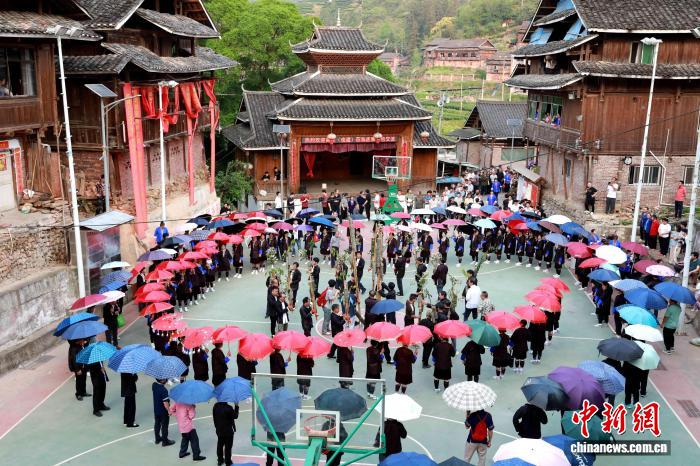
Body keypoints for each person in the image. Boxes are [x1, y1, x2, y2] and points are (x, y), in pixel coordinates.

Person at [213, 400, 239, 466]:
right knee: (228, 447)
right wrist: (236, 406)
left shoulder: (215, 406)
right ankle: (228, 462)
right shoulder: (229, 408)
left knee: (220, 445)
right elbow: (235, 416)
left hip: (219, 430)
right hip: (228, 431)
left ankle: (220, 460)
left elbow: (214, 418)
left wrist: (217, 428)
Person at [152, 379, 175, 446]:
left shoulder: (154, 385)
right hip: (163, 411)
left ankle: (157, 439)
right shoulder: (164, 390)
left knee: (157, 424)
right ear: (162, 380)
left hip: (156, 410)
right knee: (164, 426)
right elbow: (165, 403)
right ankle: (165, 441)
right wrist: (169, 411)